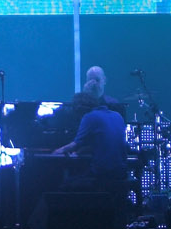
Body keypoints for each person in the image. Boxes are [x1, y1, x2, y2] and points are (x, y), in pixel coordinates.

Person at [51, 67, 130, 199]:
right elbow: (104, 142)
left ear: (104, 80)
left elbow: (75, 144)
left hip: (101, 174)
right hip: (121, 173)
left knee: (64, 185)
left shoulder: (91, 115)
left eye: (97, 80)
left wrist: (55, 152)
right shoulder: (116, 115)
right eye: (90, 80)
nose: (93, 84)